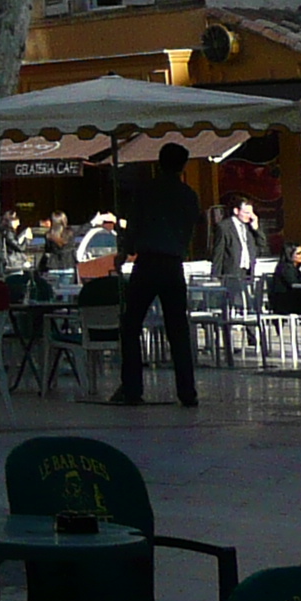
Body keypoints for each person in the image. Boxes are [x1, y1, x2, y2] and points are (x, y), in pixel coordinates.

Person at [113, 145, 204, 408]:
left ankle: (132, 388)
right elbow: (190, 228)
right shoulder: (189, 195)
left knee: (131, 326)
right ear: (183, 165)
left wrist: (125, 252)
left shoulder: (146, 191)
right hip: (174, 265)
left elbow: (135, 224)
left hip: (148, 263)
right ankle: (187, 391)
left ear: (159, 162)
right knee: (178, 330)